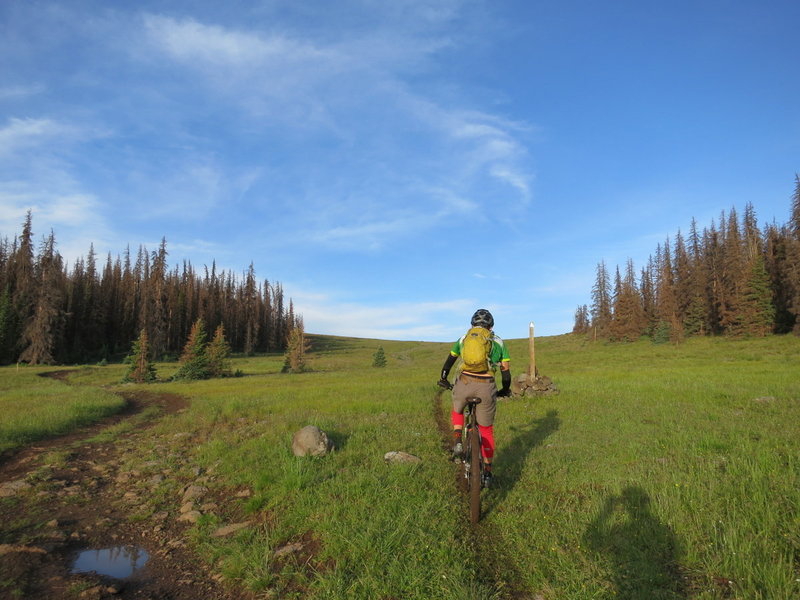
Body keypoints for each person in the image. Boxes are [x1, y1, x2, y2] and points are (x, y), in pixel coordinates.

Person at [437, 309, 511, 488]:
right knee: (486, 430)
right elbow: (505, 371)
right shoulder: (498, 341)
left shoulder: (463, 339)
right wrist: (505, 389)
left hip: (464, 383)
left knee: (457, 408)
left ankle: (457, 440)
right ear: (491, 326)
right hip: (487, 387)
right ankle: (487, 470)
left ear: (472, 325)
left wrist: (444, 379)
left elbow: (449, 362)